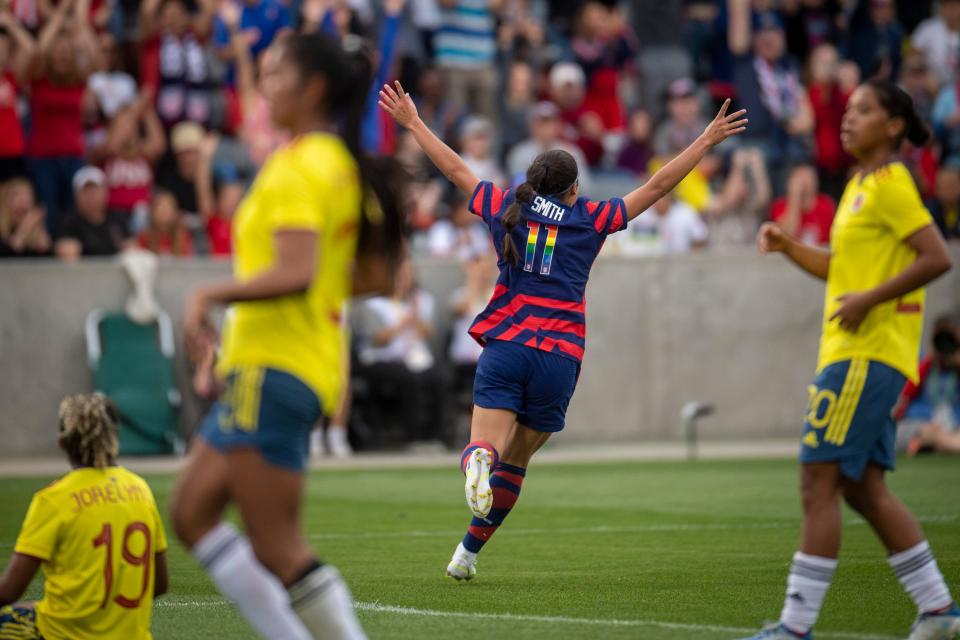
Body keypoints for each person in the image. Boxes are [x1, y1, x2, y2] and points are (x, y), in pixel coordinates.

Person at [379, 79, 747, 581]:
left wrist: (414, 123)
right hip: (558, 356)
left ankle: (476, 465)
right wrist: (704, 141)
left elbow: (454, 168)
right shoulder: (591, 217)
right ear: (575, 188)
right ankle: (466, 554)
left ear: (530, 178)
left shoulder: (504, 205)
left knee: (485, 448)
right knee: (518, 463)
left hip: (507, 342)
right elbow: (658, 187)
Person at [170, 33, 404, 640]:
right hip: (284, 361)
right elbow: (380, 273)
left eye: (275, 73)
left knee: (277, 545)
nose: (263, 86)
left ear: (314, 88)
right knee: (192, 511)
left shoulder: (302, 166)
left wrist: (207, 295)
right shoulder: (334, 163)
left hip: (276, 366)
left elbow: (297, 273)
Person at [744, 79, 958, 640]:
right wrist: (791, 247)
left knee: (818, 482)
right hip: (854, 352)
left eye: (863, 110)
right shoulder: (859, 185)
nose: (848, 117)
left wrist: (870, 299)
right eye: (847, 109)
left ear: (893, 126)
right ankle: (939, 611)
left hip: (866, 353)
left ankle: (795, 627)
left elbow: (937, 257)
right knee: (864, 489)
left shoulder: (890, 183)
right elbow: (843, 270)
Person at [0, 394, 169, 640]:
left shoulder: (53, 499)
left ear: (62, 443)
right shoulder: (141, 490)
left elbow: (8, 592)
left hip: (63, 634)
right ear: (114, 437)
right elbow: (160, 585)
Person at [355, 259, 441, 446]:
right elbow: (378, 338)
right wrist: (402, 323)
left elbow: (429, 335)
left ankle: (433, 437)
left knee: (437, 378)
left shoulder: (421, 300)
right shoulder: (373, 303)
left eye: (409, 274)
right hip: (380, 358)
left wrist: (415, 315)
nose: (405, 279)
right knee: (409, 378)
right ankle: (413, 437)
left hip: (413, 357)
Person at [896, 315, 960, 454]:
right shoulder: (922, 361)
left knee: (946, 435)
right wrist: (928, 362)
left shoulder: (955, 367)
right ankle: (936, 445)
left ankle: (930, 446)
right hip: (922, 423)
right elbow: (906, 393)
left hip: (953, 425)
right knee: (931, 433)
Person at [54, 167, 131, 261]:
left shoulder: (118, 219)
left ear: (105, 192)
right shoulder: (67, 222)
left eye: (95, 190)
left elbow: (130, 247)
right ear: (76, 195)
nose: (91, 196)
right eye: (86, 191)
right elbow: (65, 251)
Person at [769, 164, 836, 247]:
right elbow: (785, 237)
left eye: (809, 177)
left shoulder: (825, 205)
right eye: (800, 178)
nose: (804, 183)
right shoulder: (780, 205)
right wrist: (795, 199)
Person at [0, 177, 51, 258]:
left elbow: (47, 259)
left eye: (27, 195)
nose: (23, 201)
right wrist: (24, 229)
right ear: (6, 200)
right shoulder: (3, 230)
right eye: (16, 195)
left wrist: (41, 234)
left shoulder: (35, 226)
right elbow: (7, 256)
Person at [136, 189, 195, 256]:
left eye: (168, 206)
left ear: (176, 212)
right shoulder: (144, 237)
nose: (164, 210)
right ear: (152, 212)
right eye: (160, 206)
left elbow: (188, 262)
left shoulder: (183, 237)